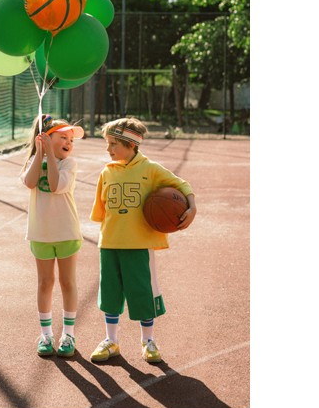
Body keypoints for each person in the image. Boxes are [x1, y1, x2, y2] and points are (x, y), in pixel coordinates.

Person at [89, 117, 196, 364]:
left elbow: (182, 185)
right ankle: (111, 340)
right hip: (110, 244)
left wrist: (192, 207)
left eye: (113, 143)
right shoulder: (107, 172)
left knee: (143, 293)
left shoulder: (150, 169)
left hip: (138, 245)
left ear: (131, 144)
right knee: (110, 295)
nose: (108, 148)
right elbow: (101, 212)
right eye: (108, 143)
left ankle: (148, 341)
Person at [21, 114, 85, 357]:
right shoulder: (34, 161)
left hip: (66, 231)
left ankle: (68, 334)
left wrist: (50, 151)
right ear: (47, 138)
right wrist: (41, 153)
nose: (69, 142)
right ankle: (46, 335)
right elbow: (30, 182)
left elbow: (56, 184)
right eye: (63, 137)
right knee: (45, 282)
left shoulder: (69, 164)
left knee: (67, 282)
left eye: (71, 140)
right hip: (40, 233)